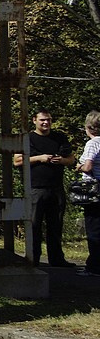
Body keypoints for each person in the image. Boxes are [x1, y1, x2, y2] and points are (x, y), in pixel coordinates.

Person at [15, 109, 77, 267]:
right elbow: (17, 161)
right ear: (34, 120)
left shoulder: (59, 137)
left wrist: (60, 160)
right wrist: (40, 158)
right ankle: (33, 258)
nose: (46, 123)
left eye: (48, 120)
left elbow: (71, 159)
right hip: (35, 189)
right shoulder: (27, 139)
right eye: (42, 120)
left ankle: (56, 259)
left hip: (56, 188)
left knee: (55, 226)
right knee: (34, 225)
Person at [73, 110, 100, 277]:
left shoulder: (93, 144)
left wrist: (79, 167)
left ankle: (94, 266)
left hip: (93, 188)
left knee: (93, 227)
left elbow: (88, 166)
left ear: (88, 127)